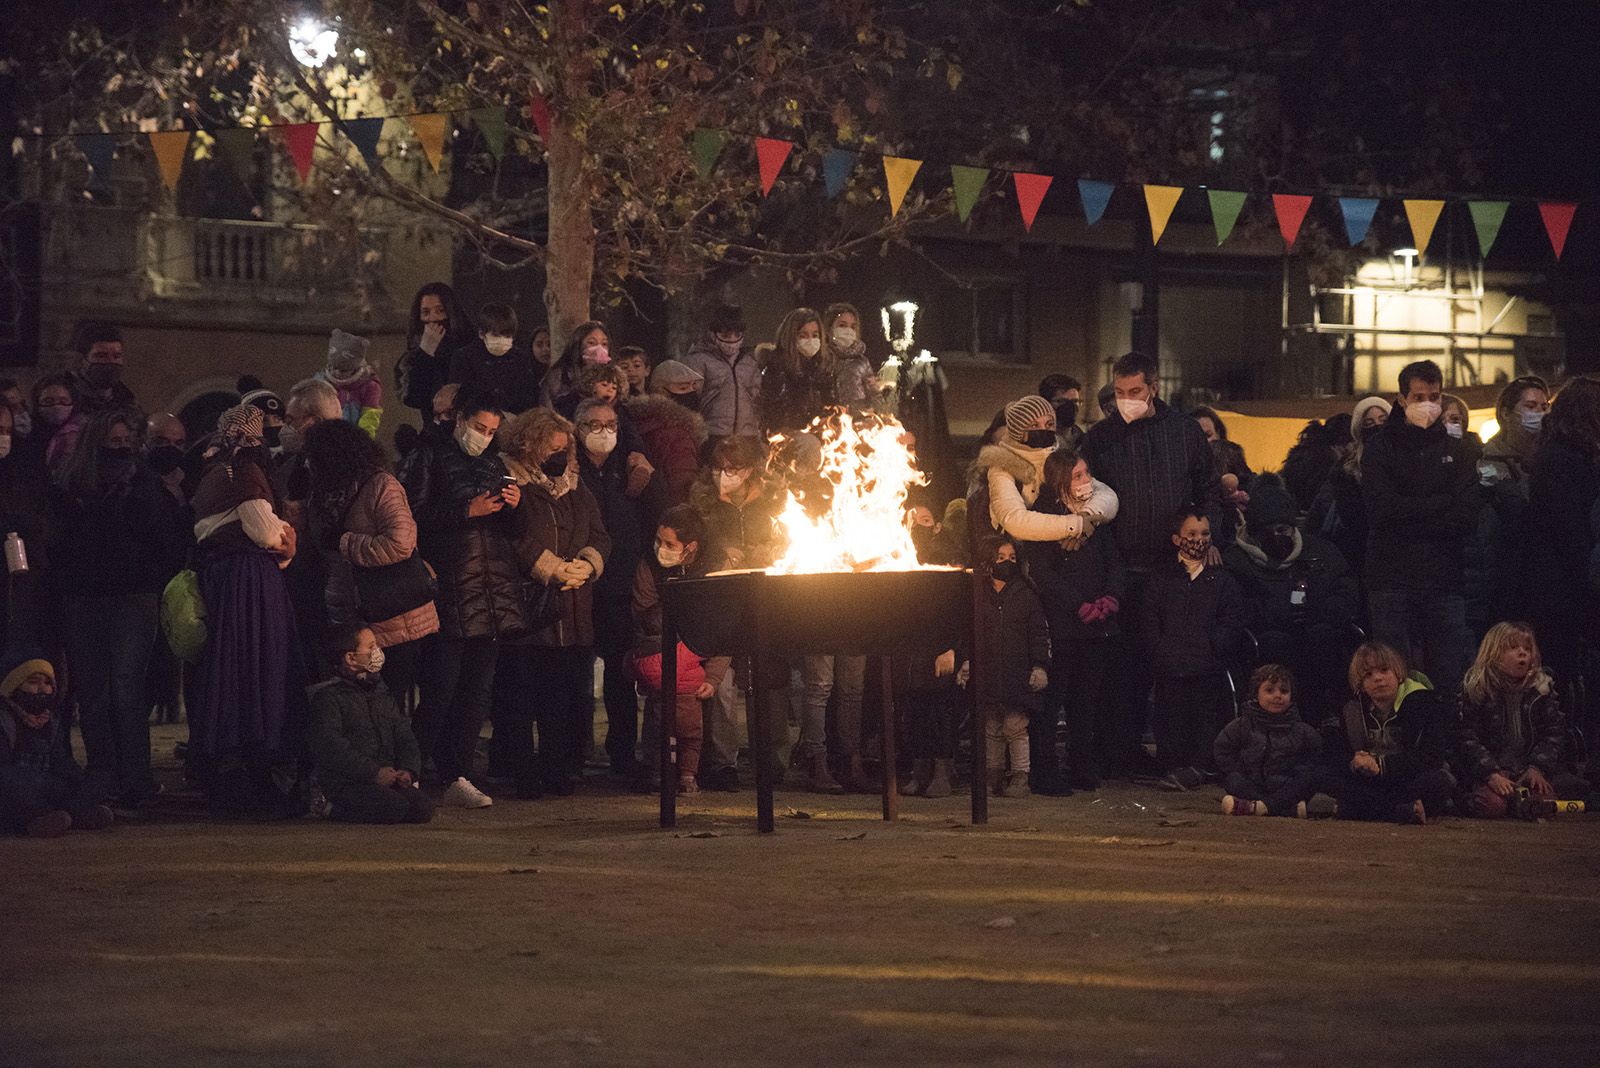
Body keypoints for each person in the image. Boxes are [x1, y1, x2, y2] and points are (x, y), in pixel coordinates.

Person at [1080, 351, 1224, 778]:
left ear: (1154, 388)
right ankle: (1120, 753)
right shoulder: (1102, 438)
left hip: (1171, 570)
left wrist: (1208, 533)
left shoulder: (1183, 432)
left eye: (1135, 391)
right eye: (1120, 392)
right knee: (1123, 670)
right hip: (1121, 568)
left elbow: (1208, 489)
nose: (1127, 399)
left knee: (1170, 663)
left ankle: (1174, 753)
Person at [55, 409, 189, 807]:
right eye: (113, 441)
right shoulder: (71, 485)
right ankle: (102, 772)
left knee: (128, 689)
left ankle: (135, 778)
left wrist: (146, 575)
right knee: (95, 691)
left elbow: (166, 539)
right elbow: (60, 542)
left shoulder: (144, 484)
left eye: (124, 441)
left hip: (132, 598)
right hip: (86, 598)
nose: (120, 447)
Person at [403, 386, 527, 810]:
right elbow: (411, 518)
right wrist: (463, 512)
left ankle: (458, 773)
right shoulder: (428, 456)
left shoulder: (494, 464)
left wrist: (514, 507)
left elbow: (514, 533)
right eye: (478, 427)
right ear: (458, 420)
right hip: (449, 589)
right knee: (440, 689)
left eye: (492, 431)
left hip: (490, 593)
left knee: (477, 692)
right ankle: (411, 771)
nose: (485, 436)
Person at [187, 405, 305, 817]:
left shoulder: (212, 473)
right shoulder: (242, 474)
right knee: (254, 670)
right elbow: (266, 531)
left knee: (237, 670)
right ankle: (250, 771)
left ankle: (236, 770)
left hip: (233, 580)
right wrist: (287, 542)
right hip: (248, 585)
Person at [500, 407, 610, 797]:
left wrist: (586, 565)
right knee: (520, 695)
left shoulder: (577, 487)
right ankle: (523, 772)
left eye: (566, 447)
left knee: (560, 697)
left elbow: (599, 534)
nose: (561, 455)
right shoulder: (513, 483)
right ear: (531, 445)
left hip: (572, 609)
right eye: (553, 447)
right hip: (530, 608)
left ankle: (557, 768)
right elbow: (511, 538)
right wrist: (548, 567)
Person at [1361, 360, 1478, 694]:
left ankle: (1445, 740)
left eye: (1435, 396)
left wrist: (1411, 508)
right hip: (1392, 577)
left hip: (1443, 576)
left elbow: (1467, 515)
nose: (1428, 404)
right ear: (1402, 400)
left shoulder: (1459, 447)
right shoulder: (1381, 448)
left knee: (1448, 674)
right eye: (1419, 396)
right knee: (1393, 673)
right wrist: (1440, 503)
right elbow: (1382, 510)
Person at [302, 419, 439, 705]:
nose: (307, 464)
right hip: (349, 610)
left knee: (389, 698)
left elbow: (400, 543)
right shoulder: (322, 496)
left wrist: (345, 541)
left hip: (393, 612)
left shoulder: (381, 486)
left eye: (313, 457)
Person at [689, 436, 785, 790]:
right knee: (722, 684)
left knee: (768, 681)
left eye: (733, 469)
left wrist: (760, 552)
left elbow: (788, 540)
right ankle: (722, 762)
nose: (724, 475)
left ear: (751, 470)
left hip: (766, 599)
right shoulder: (703, 503)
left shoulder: (774, 501)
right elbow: (693, 548)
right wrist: (719, 556)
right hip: (722, 601)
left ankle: (771, 758)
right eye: (719, 468)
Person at [1223, 475, 1359, 722]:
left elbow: (1346, 591)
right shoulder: (1236, 561)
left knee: (1324, 639)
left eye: (1282, 530)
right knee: (1278, 644)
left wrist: (1318, 610)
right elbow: (1234, 605)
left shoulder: (1320, 552)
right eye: (1268, 531)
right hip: (1267, 636)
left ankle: (1325, 715)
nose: (1276, 536)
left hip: (1316, 629)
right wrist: (1277, 611)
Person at [1026, 448, 1124, 790]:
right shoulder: (1046, 517)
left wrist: (1110, 597)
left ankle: (1082, 765)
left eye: (1086, 474)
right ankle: (1045, 770)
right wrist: (1077, 605)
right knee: (1053, 702)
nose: (1085, 482)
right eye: (1077, 477)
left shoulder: (1094, 515)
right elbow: (1043, 571)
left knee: (1086, 700)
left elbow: (1113, 560)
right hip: (1064, 625)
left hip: (1097, 625)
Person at [576, 398, 661, 778]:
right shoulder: (568, 467)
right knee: (574, 673)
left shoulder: (629, 467)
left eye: (610, 424)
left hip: (620, 584)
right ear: (578, 429)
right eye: (594, 424)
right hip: (577, 583)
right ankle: (572, 753)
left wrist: (645, 482)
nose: (603, 432)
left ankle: (623, 754)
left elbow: (651, 518)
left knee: (620, 675)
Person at [630, 505, 731, 794]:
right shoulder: (649, 565)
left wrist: (713, 677)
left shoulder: (715, 567)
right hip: (661, 651)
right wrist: (686, 611)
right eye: (659, 541)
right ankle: (657, 767)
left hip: (705, 652)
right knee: (660, 709)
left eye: (669, 544)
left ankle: (706, 767)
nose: (661, 548)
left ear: (691, 548)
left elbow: (724, 627)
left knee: (705, 709)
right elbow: (643, 612)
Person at [1143, 508, 1244, 791]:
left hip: (1206, 666)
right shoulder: (1162, 577)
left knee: (1204, 718)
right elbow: (1150, 617)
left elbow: (1231, 619)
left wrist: (1214, 648)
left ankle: (1200, 766)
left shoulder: (1222, 580)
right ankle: (1174, 765)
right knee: (1171, 718)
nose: (1198, 540)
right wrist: (1160, 650)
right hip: (1171, 664)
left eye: (1204, 534)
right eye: (1191, 534)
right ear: (1177, 539)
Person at [1454, 622, 1589, 818]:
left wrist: (1537, 768)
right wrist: (1491, 773)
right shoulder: (1477, 690)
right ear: (1493, 654)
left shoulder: (1542, 690)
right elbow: (1466, 737)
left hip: (1526, 768)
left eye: (1527, 648)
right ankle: (1475, 799)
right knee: (1491, 805)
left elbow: (1554, 733)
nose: (1522, 653)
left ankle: (1520, 803)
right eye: (1513, 648)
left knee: (1544, 801)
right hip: (1491, 770)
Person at [307, 624, 435, 825]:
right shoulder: (329, 698)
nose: (378, 652)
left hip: (383, 777)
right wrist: (373, 772)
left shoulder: (380, 694)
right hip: (348, 781)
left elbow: (404, 735)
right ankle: (328, 807)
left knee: (422, 808)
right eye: (371, 647)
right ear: (350, 658)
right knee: (393, 807)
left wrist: (408, 770)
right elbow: (332, 747)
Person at [1321, 641, 1452, 824]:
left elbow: (1430, 757)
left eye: (1384, 670)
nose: (1378, 678)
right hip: (1371, 780)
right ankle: (1402, 811)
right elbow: (1338, 752)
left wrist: (1382, 765)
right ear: (1360, 684)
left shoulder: (1423, 703)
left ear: (1398, 674)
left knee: (1437, 782)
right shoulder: (1353, 710)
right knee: (1324, 776)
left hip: (1405, 777)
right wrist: (1355, 762)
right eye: (1368, 675)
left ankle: (1354, 809)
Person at [1527, 376, 1600, 691]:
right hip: (1565, 587)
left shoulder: (1557, 455)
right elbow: (1571, 527)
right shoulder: (1563, 460)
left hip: (1560, 582)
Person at [969, 535, 1050, 798]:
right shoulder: (978, 596)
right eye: (1000, 558)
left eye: (1012, 558)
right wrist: (967, 663)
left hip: (1017, 674)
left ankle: (1020, 776)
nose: (1006, 563)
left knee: (1015, 727)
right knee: (991, 727)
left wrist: (1040, 666)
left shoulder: (1027, 595)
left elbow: (1039, 633)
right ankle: (992, 775)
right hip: (988, 672)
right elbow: (970, 632)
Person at [0, 653, 114, 837]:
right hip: (14, 787)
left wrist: (81, 782)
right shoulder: (5, 720)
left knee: (69, 784)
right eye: (34, 682)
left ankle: (76, 812)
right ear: (14, 687)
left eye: (47, 683)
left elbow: (59, 760)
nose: (42, 689)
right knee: (19, 788)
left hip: (41, 785)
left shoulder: (50, 721)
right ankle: (33, 820)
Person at [1469, 376, 1549, 632]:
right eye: (1530, 406)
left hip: (1541, 582)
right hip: (1501, 584)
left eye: (1543, 407)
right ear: (1506, 413)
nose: (1538, 414)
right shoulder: (1487, 462)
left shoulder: (1551, 462)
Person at [1214, 664, 1325, 818]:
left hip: (1286, 786)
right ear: (1256, 694)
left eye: (1284, 691)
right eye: (1270, 690)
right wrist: (1238, 769)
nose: (1278, 696)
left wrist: (1299, 773)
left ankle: (1258, 807)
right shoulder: (1242, 725)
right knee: (1233, 780)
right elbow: (1222, 748)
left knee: (1311, 777)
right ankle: (1283, 809)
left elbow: (1314, 755)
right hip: (1253, 785)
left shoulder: (1301, 730)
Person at [1309, 396, 1389, 579]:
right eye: (1369, 422)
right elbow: (1353, 520)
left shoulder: (1407, 462)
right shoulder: (1347, 471)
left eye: (1383, 420)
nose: (1377, 426)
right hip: (1359, 560)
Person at [625, 360, 708, 506]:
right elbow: (683, 481)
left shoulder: (639, 420)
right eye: (683, 388)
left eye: (693, 386)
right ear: (661, 392)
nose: (691, 392)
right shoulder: (676, 432)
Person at [681, 303, 762, 446]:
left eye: (736, 335)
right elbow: (688, 402)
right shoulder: (698, 360)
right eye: (725, 335)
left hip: (747, 436)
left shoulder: (750, 362)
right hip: (712, 436)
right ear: (713, 334)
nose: (731, 340)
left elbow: (757, 398)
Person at [449, 302, 542, 415]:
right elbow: (459, 398)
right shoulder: (463, 357)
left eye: (507, 336)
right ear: (482, 333)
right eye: (496, 335)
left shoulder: (520, 358)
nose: (502, 340)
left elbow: (530, 397)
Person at [396, 282, 475, 414]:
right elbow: (414, 398)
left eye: (440, 311)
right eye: (426, 312)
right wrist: (425, 353)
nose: (433, 318)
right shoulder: (412, 357)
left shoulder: (470, 348)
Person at [762, 308, 836, 437]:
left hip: (821, 435)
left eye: (815, 335)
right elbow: (773, 414)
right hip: (789, 439)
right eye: (803, 335)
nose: (810, 340)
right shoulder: (777, 368)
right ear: (791, 337)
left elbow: (831, 404)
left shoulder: (823, 368)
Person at [320, 329, 383, 438]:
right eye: (334, 368)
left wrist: (363, 440)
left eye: (344, 370)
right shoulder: (322, 382)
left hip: (354, 439)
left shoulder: (369, 386)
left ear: (356, 367)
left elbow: (369, 416)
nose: (337, 373)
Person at [70, 320, 139, 415]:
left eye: (116, 356)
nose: (110, 362)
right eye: (101, 356)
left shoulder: (126, 400)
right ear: (82, 360)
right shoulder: (65, 397)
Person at [542, 320, 611, 410]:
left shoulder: (613, 377)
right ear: (578, 345)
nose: (599, 349)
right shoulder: (560, 376)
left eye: (604, 344)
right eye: (591, 343)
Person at [823, 303, 878, 411]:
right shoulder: (823, 359)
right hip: (828, 420)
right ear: (829, 328)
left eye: (853, 327)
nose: (848, 331)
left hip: (858, 420)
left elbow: (874, 394)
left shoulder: (862, 362)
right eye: (842, 325)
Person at [30, 373, 86, 473]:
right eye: (48, 401)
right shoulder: (28, 433)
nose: (56, 406)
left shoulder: (84, 433)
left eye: (63, 400)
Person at [1037, 373, 1084, 449]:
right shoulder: (1036, 443)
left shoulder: (1088, 442)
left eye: (1075, 401)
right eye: (1061, 401)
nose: (1070, 406)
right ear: (1045, 403)